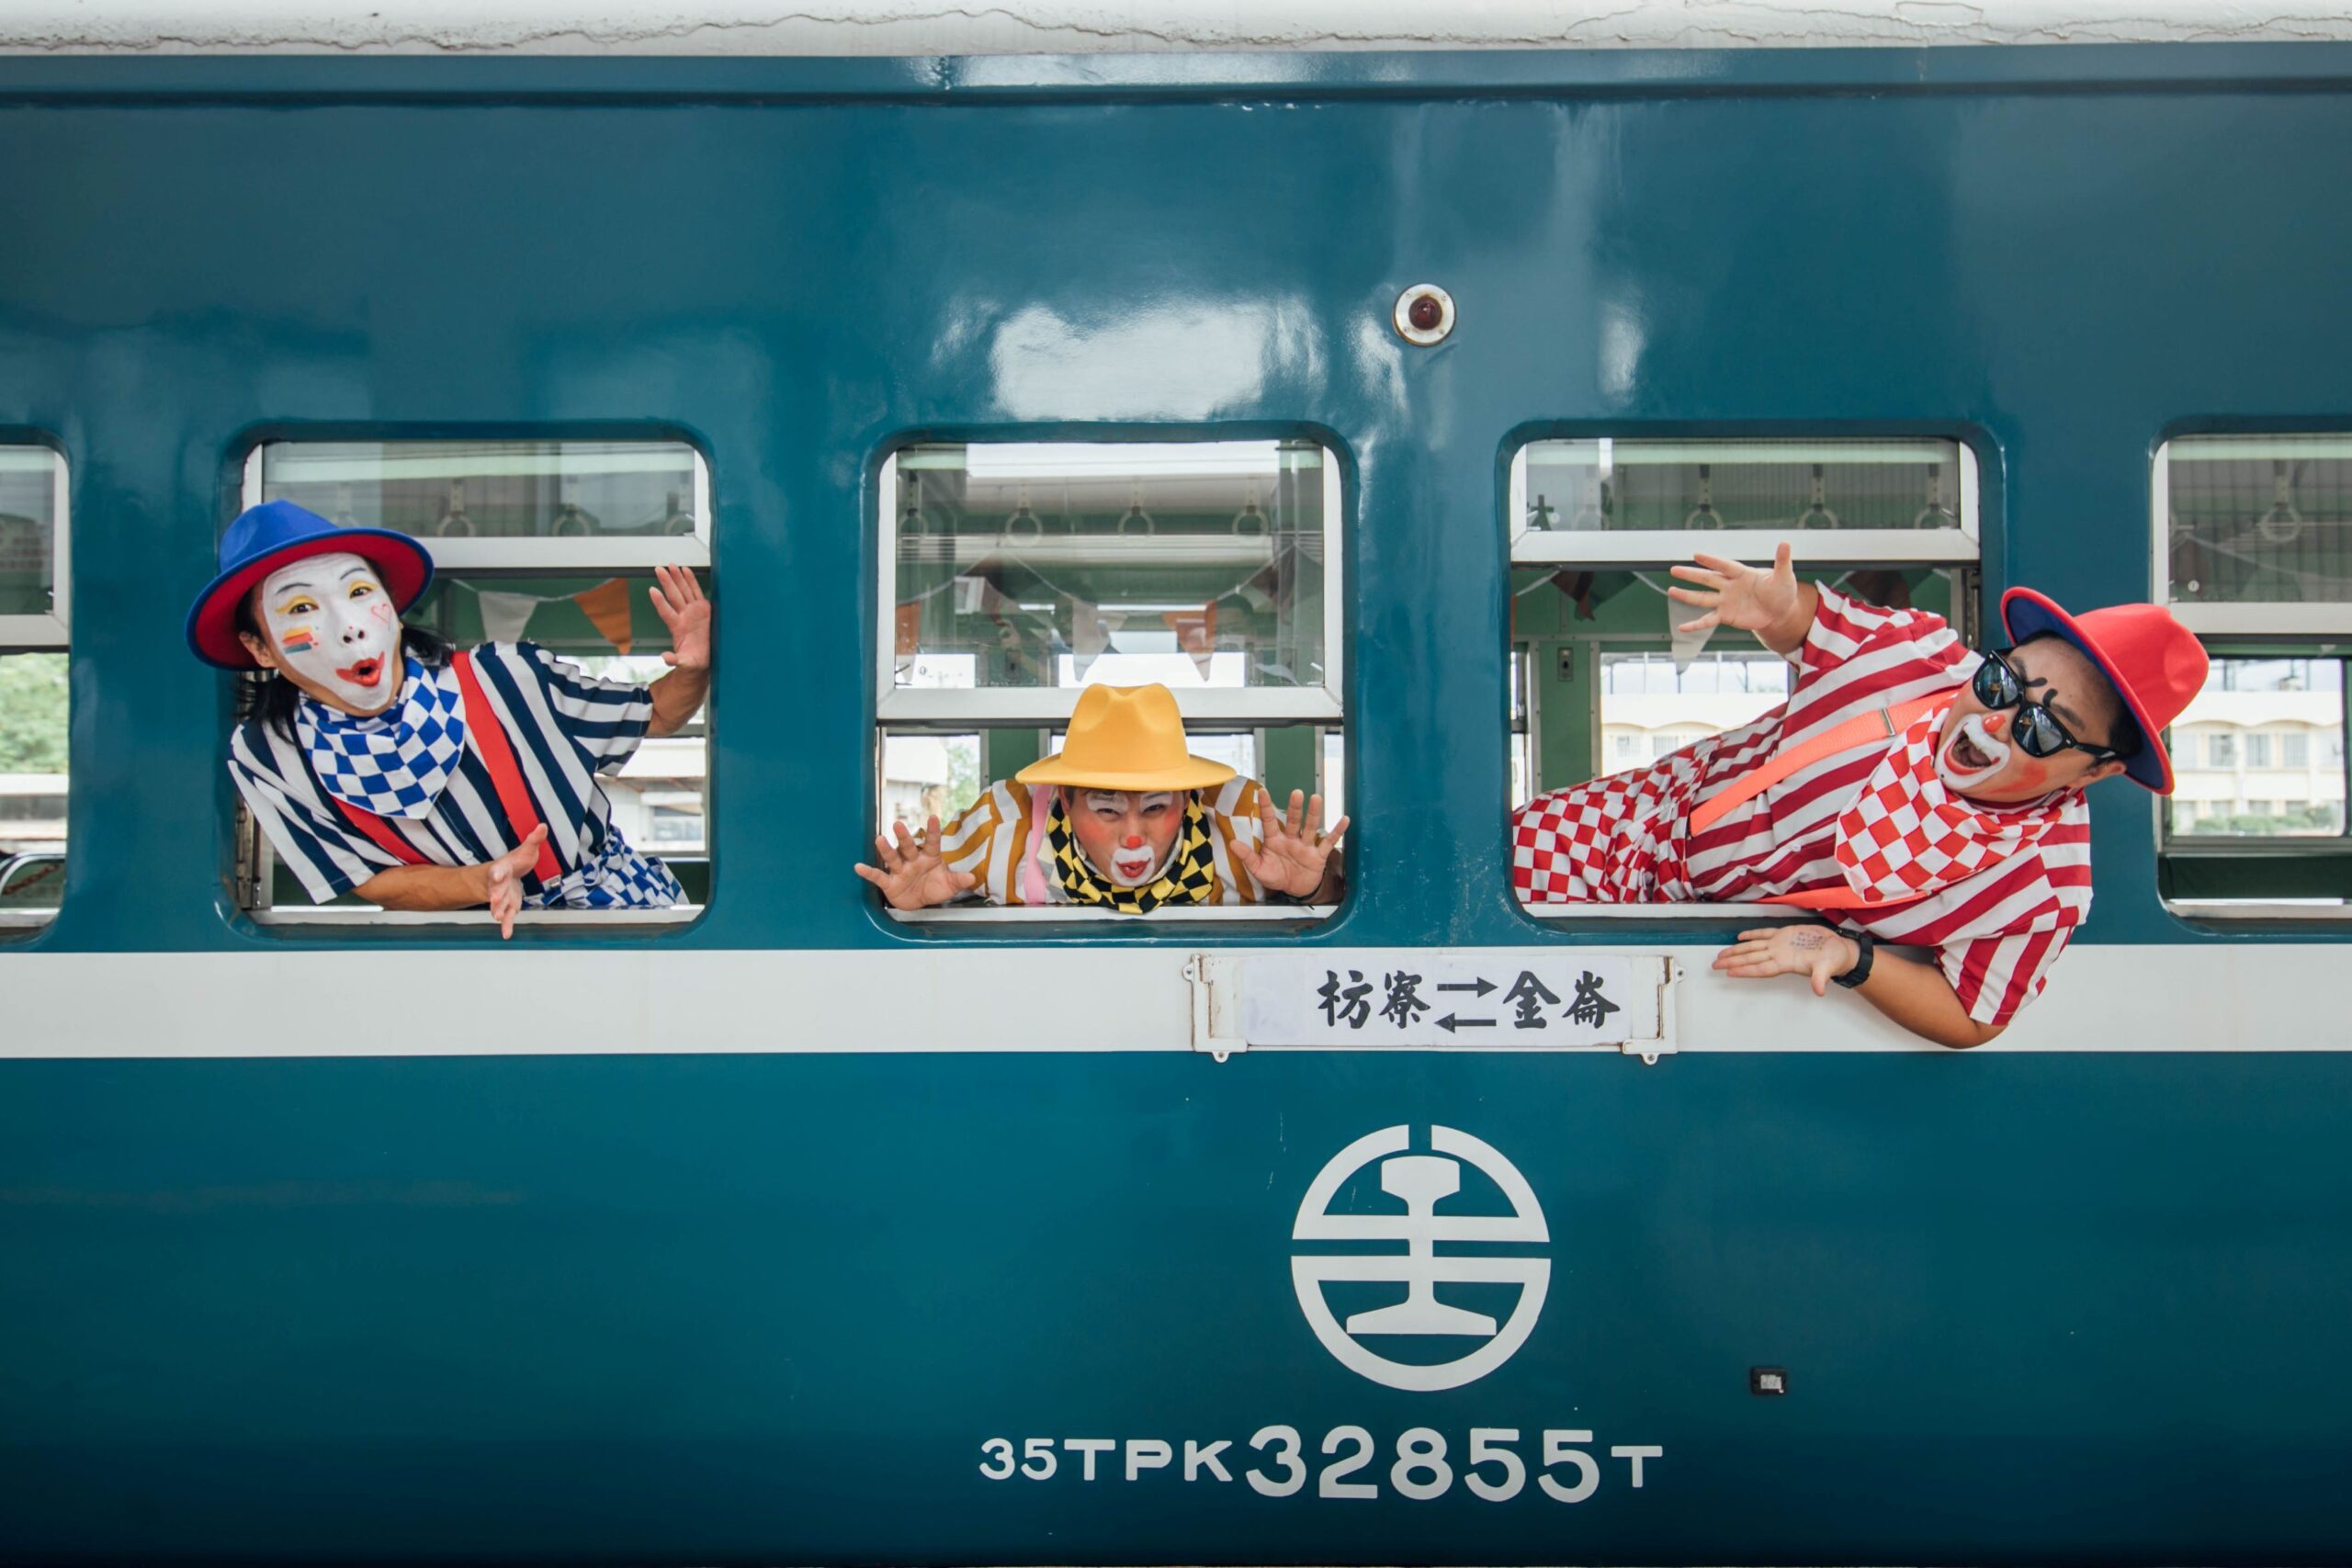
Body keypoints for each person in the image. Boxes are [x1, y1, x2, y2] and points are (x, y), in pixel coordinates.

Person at [1511, 544, 2207, 1048]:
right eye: (2002, 684)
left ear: (2093, 772)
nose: (1990, 721)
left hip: (1701, 934)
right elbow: (1810, 624)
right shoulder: (1921, 661)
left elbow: (1976, 1013)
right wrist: (1775, 609)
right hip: (1623, 824)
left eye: (2042, 727)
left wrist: (1854, 960)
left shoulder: (2042, 888)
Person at [187, 499, 712, 936]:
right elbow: (371, 882)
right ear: (258, 648)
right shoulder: (267, 756)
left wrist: (693, 667)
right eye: (301, 608)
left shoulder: (507, 675)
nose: (347, 628)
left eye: (357, 592)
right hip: (466, 958)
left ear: (389, 605)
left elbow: (656, 714)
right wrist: (483, 881)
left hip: (630, 929)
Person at [856, 682, 1345, 912]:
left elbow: (1343, 895)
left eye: (1156, 807)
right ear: (1065, 801)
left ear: (1189, 796)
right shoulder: (1002, 824)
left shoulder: (1244, 819)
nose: (1133, 835)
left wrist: (1315, 887)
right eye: (1106, 809)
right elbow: (909, 879)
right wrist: (905, 903)